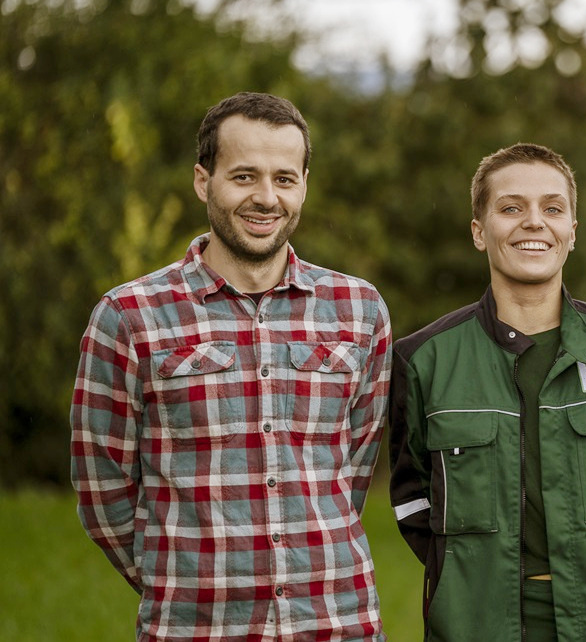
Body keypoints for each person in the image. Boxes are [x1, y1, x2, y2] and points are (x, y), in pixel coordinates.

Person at [70, 92, 392, 641]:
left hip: (338, 623)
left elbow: (354, 468)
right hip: (197, 628)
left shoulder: (359, 310)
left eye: (284, 179)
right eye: (244, 176)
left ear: (304, 185)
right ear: (204, 181)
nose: (266, 198)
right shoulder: (128, 316)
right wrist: (177, 576)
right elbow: (103, 489)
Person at [388, 143, 586, 641]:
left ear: (572, 232)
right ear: (480, 231)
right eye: (511, 208)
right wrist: (470, 574)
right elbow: (413, 502)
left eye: (552, 209)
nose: (534, 222)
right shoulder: (423, 360)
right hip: (475, 626)